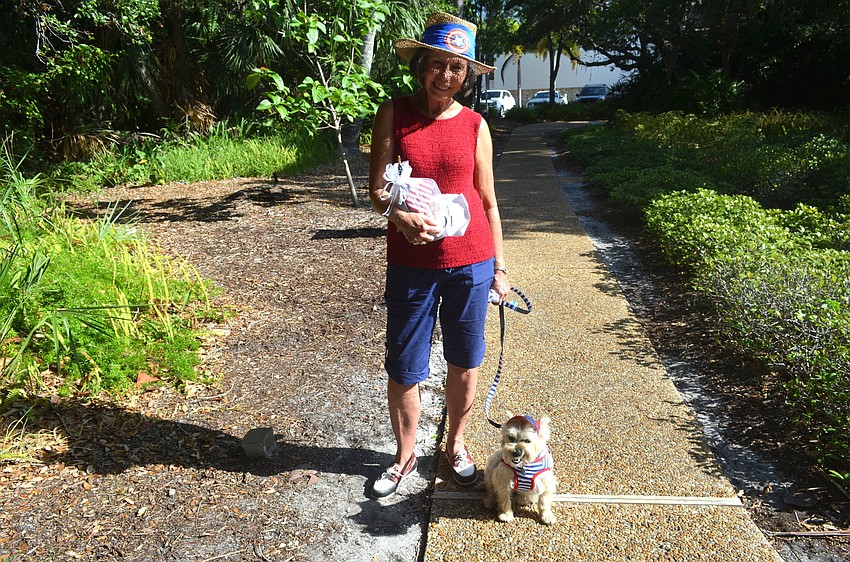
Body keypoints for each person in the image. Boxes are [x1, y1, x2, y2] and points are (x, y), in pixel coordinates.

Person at [367, 12, 509, 499]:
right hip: (411, 263)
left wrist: (501, 268)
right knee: (405, 364)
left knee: (465, 360)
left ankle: (455, 445)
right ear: (421, 65)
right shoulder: (394, 113)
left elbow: (487, 200)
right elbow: (378, 190)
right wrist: (401, 220)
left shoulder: (475, 124)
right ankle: (405, 457)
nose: (445, 75)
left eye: (457, 67)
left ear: (466, 75)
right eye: (437, 64)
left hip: (471, 262)